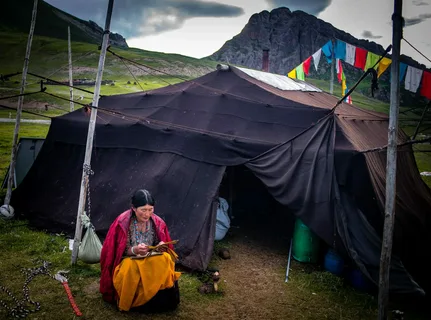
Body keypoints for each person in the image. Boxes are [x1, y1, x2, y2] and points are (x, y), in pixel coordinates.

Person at [100, 189, 181, 311]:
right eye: (143, 210)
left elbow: (163, 247)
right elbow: (116, 252)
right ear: (134, 208)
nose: (147, 214)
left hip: (150, 258)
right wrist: (135, 250)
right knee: (130, 267)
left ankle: (161, 299)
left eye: (150, 210)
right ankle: (132, 301)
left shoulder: (157, 222)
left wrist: (161, 246)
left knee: (166, 259)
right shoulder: (122, 222)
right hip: (129, 260)